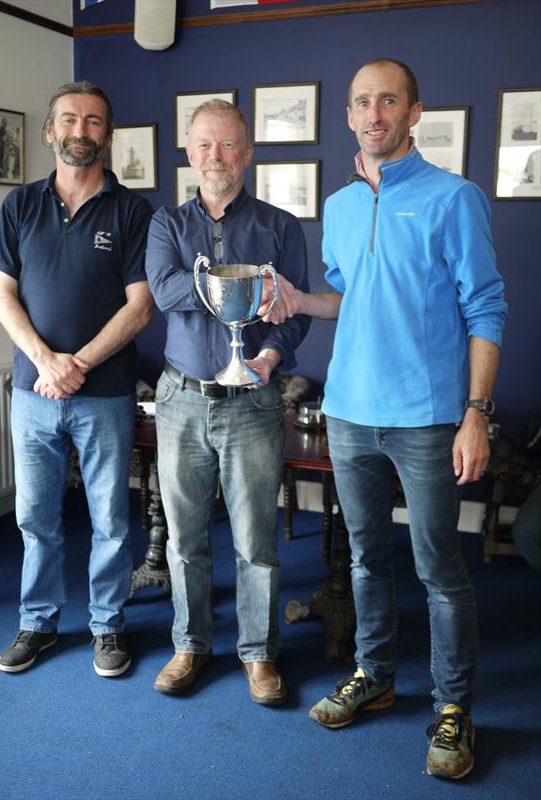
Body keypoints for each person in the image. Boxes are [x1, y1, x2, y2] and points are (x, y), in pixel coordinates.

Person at [262, 59, 507, 777]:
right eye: (362, 102)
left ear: (413, 111)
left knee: (439, 570)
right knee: (366, 560)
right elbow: (352, 294)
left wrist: (476, 414)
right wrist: (300, 301)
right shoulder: (338, 207)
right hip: (347, 414)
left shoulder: (453, 198)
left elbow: (486, 307)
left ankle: (454, 709)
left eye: (388, 100)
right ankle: (375, 675)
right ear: (349, 115)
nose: (375, 113)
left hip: (428, 419)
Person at [145, 99, 310, 704]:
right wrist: (228, 279)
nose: (217, 157)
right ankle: (190, 645)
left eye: (229, 145)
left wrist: (268, 356)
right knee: (186, 536)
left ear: (247, 152)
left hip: (254, 401)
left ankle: (260, 655)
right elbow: (163, 293)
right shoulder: (166, 224)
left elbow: (293, 314)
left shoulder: (280, 226)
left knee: (255, 540)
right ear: (191, 155)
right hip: (182, 397)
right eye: (205, 146)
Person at [0, 81, 153, 678]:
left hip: (104, 394)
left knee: (109, 518)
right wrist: (45, 361)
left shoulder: (134, 211)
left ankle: (108, 626)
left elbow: (140, 306)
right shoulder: (20, 206)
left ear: (107, 134)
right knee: (36, 517)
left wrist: (75, 364)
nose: (80, 130)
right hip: (32, 394)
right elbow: (3, 296)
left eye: (93, 121)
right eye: (70, 120)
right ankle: (39, 622)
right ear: (49, 130)